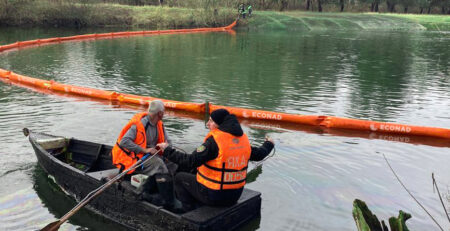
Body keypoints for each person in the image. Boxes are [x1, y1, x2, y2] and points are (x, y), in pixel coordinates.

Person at [157, 109, 274, 211]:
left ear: (219, 124)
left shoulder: (214, 142)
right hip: (235, 196)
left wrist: (167, 150)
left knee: (179, 178)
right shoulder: (242, 141)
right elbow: (259, 154)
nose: (207, 124)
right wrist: (269, 144)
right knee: (194, 170)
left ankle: (187, 211)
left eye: (211, 121)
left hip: (214, 196)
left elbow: (190, 161)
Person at [111, 100, 177, 208]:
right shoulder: (139, 124)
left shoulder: (159, 124)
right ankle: (168, 201)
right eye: (164, 112)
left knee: (173, 163)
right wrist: (145, 150)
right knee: (159, 164)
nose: (164, 114)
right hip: (135, 158)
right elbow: (124, 141)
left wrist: (167, 148)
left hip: (151, 155)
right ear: (159, 113)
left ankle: (152, 188)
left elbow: (169, 141)